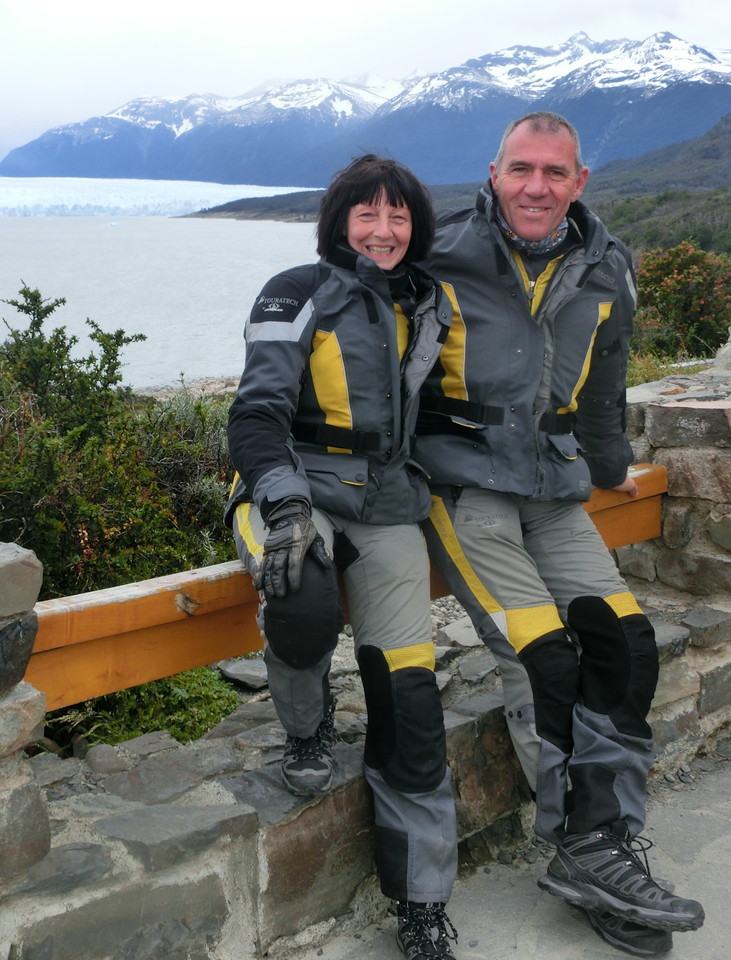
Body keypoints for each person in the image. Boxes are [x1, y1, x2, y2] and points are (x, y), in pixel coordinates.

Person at [415, 112, 704, 958]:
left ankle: (604, 843)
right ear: (494, 173)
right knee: (543, 656)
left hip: (551, 483)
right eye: (521, 169)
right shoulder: (439, 250)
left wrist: (612, 461)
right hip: (461, 484)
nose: (536, 187)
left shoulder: (608, 264)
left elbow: (606, 377)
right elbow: (369, 362)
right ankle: (582, 843)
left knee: (625, 644)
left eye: (555, 172)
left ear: (580, 182)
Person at [226, 154, 459, 960]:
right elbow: (254, 416)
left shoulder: (425, 304)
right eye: (368, 215)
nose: (385, 231)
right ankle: (306, 723)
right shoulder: (296, 291)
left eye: (399, 217)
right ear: (339, 221)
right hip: (292, 489)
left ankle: (423, 901)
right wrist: (285, 505)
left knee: (411, 699)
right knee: (302, 596)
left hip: (389, 501)